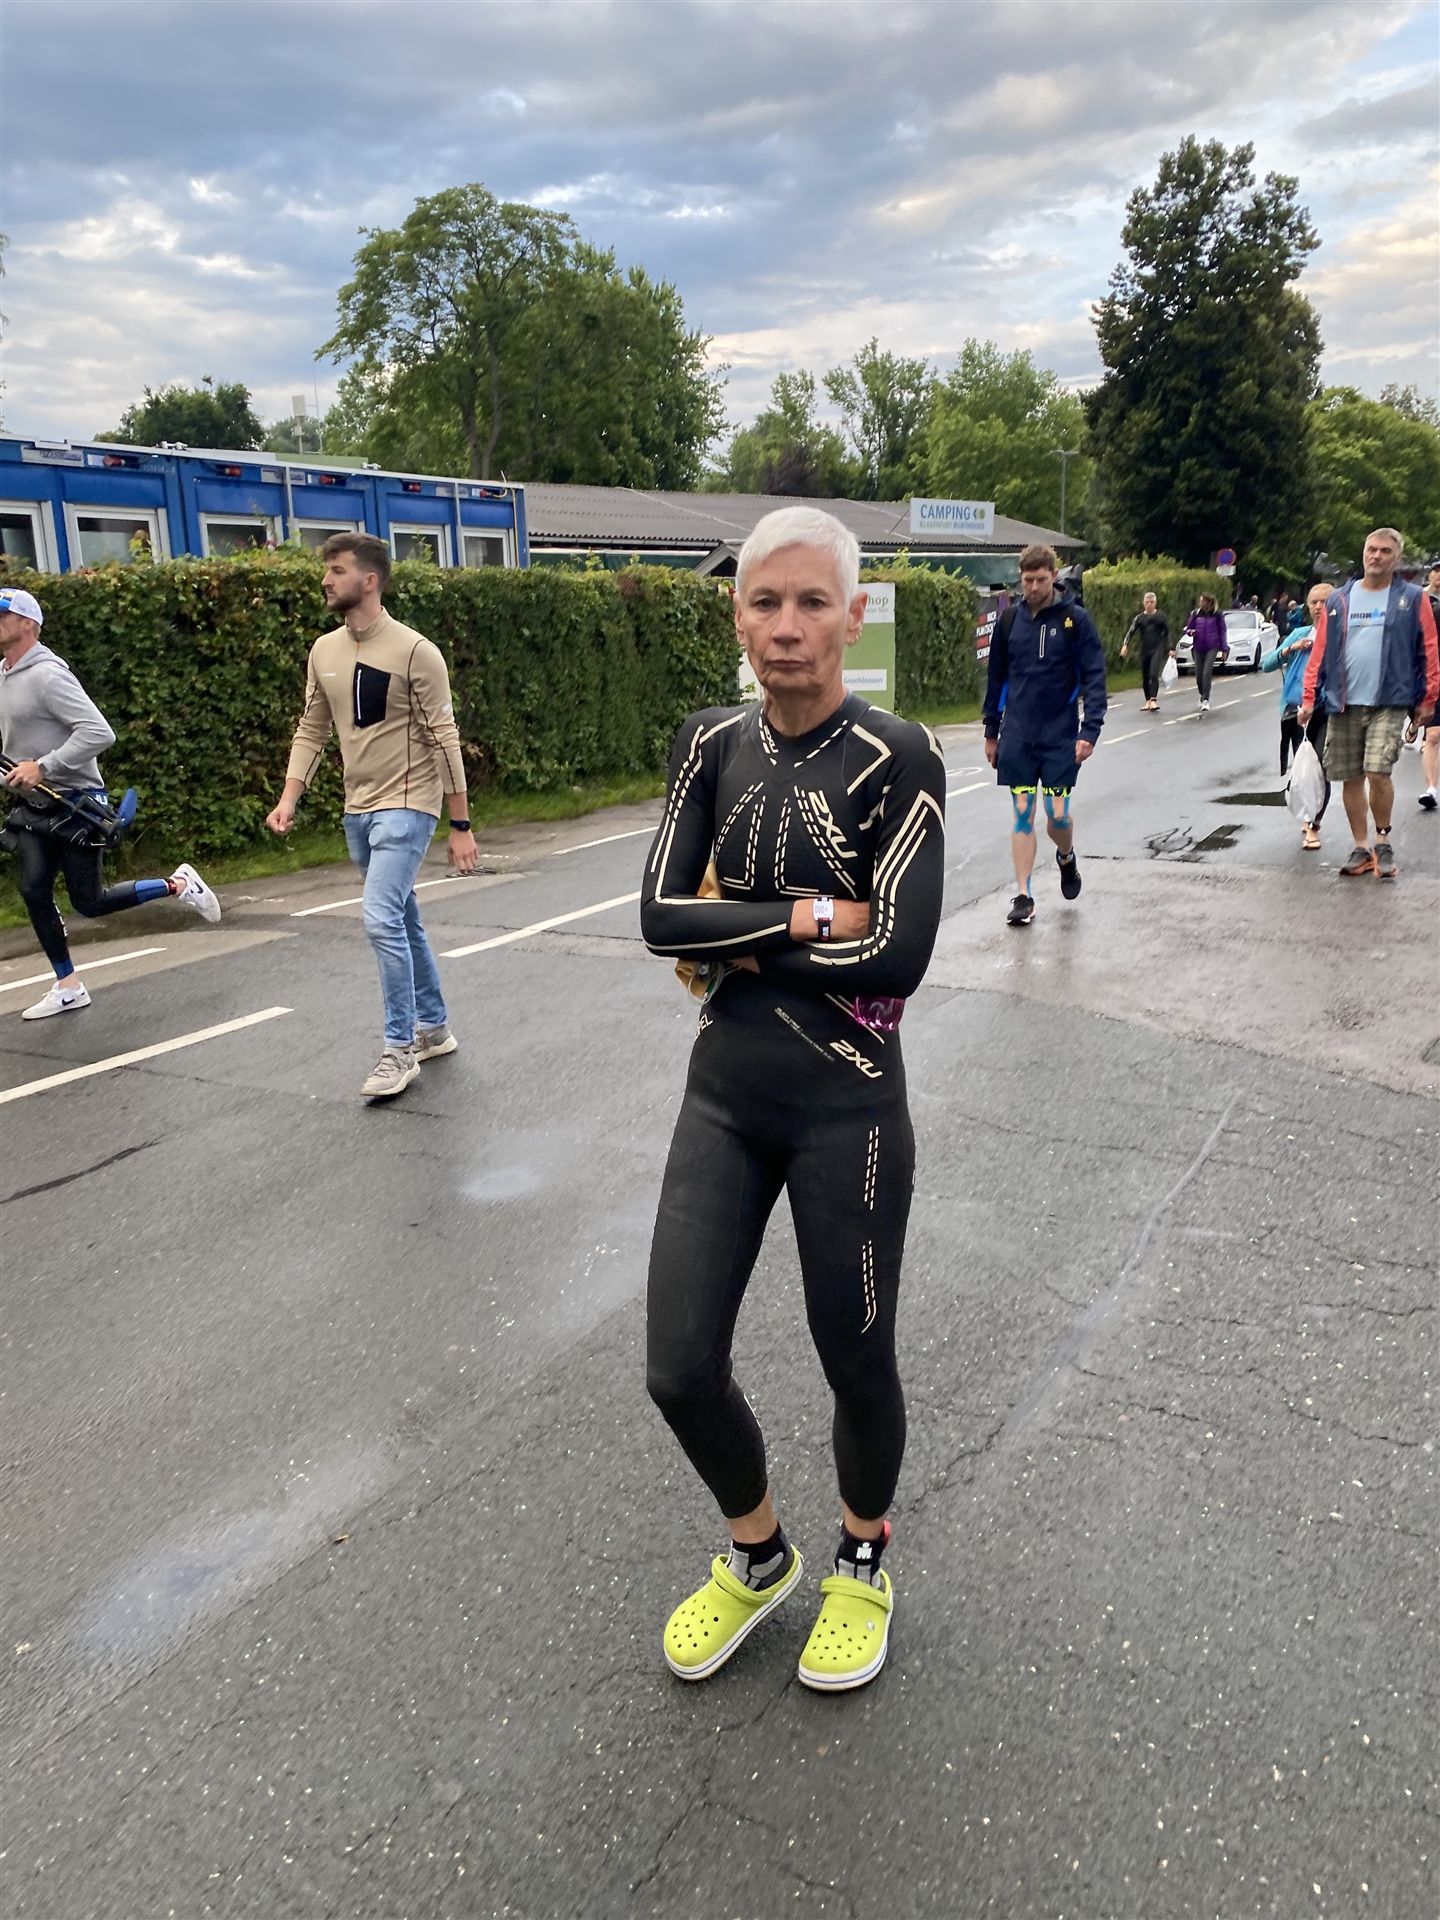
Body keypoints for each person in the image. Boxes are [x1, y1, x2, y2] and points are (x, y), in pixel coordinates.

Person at [640, 505, 945, 1693]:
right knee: (678, 1368)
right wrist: (815, 917)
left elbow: (898, 958)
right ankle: (759, 1553)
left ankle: (861, 1558)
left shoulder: (900, 757)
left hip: (847, 1111)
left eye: (812, 602)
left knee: (855, 1360)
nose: (786, 626)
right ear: (737, 614)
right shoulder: (707, 744)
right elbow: (660, 918)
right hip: (723, 1097)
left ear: (852, 617)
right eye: (764, 602)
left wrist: (735, 934)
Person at [266, 534, 479, 1098]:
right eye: (327, 570)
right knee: (402, 917)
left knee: (380, 918)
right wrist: (289, 797)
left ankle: (399, 1049)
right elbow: (312, 729)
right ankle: (434, 1028)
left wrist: (459, 825)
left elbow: (444, 739)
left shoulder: (415, 651)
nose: (325, 580)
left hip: (408, 807)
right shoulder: (323, 651)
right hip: (356, 810)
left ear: (369, 580)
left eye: (337, 570)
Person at [0, 585, 219, 1019]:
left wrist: (43, 766)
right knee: (33, 889)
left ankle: (179, 884)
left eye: (1, 615)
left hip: (76, 801)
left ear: (28, 624)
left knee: (90, 901)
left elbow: (99, 733)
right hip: (33, 805)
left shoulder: (49, 676)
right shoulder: (2, 676)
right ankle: (68, 986)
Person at [1298, 527, 1439, 876]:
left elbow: (1429, 648)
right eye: (1371, 549)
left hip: (1389, 701)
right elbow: (1320, 651)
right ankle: (1361, 847)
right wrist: (1309, 697)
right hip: (1343, 702)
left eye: (1385, 551)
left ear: (1397, 558)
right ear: (1363, 553)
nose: (1376, 556)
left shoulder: (1412, 598)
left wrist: (1429, 697)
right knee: (1350, 777)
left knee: (1377, 771)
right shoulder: (1339, 599)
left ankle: (1383, 840)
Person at [982, 542, 1107, 927]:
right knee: (1023, 812)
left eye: (1040, 579)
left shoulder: (1075, 620)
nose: (1033, 587)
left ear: (1053, 576)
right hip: (1018, 734)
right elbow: (996, 678)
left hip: (1060, 735)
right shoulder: (1009, 621)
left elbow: (1094, 677)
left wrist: (1090, 730)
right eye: (1027, 580)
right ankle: (1024, 896)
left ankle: (1066, 857)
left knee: (1057, 815)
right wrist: (991, 730)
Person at [1261, 582, 1330, 849]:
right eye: (1314, 602)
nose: (1319, 607)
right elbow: (1267, 664)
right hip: (1295, 711)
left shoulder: (1340, 636)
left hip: (1326, 710)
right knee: (1303, 767)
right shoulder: (1300, 633)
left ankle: (1313, 825)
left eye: (1324, 602)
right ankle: (1305, 812)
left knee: (1321, 766)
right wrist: (1291, 649)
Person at [1119, 591, 1172, 710]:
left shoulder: (1160, 616)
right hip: (1144, 650)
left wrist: (1170, 647)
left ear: (1155, 603)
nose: (1149, 604)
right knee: (1145, 676)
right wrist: (1125, 645)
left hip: (1157, 648)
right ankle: (1148, 700)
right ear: (1143, 603)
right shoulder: (1139, 618)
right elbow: (1130, 632)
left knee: (1153, 674)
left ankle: (1153, 700)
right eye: (1147, 602)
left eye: (1151, 602)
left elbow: (1167, 633)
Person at [1183, 594, 1229, 712]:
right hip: (1198, 647)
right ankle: (1202, 694)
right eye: (1200, 601)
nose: (1200, 603)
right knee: (1199, 675)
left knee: (1207, 672)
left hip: (1212, 647)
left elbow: (1222, 631)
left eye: (1202, 601)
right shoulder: (1195, 613)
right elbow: (1188, 628)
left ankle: (1205, 700)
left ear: (1208, 602)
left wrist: (1224, 649)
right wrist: (1190, 632)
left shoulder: (1217, 615)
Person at [1418, 563, 1440, 808]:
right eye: (1437, 570)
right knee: (1433, 735)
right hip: (1433, 675)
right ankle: (1431, 789)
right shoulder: (1420, 600)